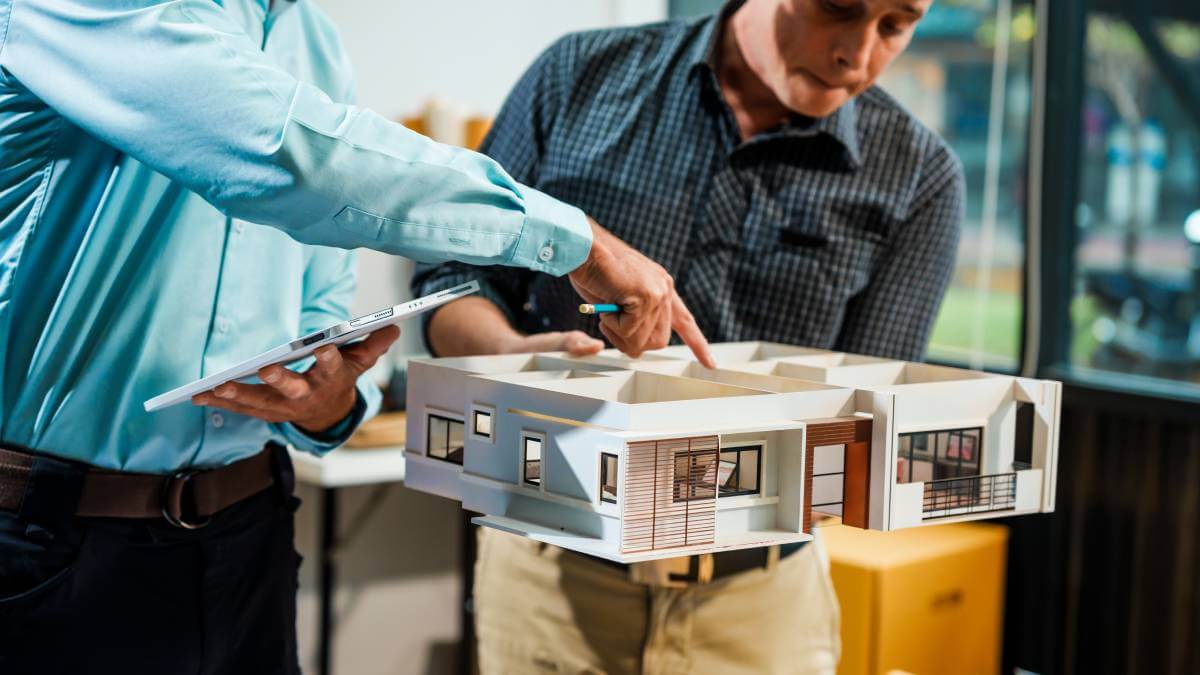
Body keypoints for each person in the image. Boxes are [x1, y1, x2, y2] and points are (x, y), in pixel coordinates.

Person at [0, 1, 711, 673]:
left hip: (247, 533)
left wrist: (330, 401)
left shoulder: (314, 43)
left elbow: (326, 298)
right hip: (53, 540)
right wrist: (577, 241)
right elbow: (295, 160)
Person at [414, 0, 964, 672]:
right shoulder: (577, 77)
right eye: (839, 8)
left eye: (895, 24)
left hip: (759, 611)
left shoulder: (918, 174)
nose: (857, 52)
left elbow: (865, 418)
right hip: (548, 586)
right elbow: (450, 276)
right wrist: (507, 353)